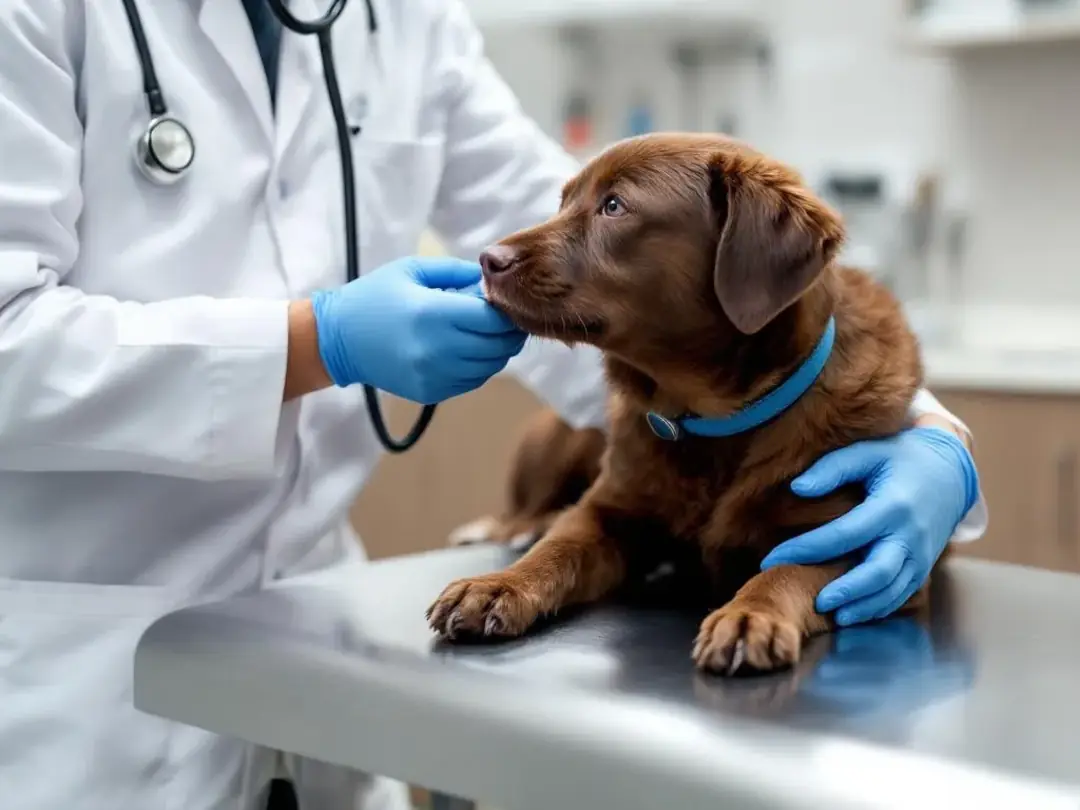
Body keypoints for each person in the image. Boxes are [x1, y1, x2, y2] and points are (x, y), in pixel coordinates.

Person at [0, 1, 986, 808]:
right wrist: (317, 342)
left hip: (317, 658)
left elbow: (630, 288)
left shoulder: (398, 20)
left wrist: (928, 438)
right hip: (82, 691)